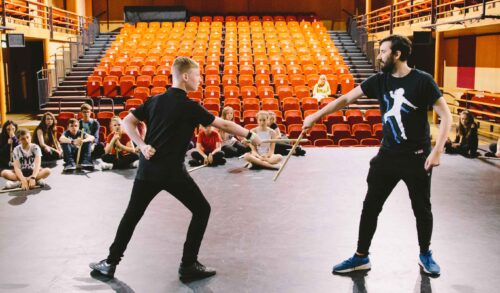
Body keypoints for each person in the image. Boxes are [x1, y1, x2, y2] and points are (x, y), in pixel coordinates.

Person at [89, 57, 261, 282]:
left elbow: (126, 122)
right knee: (202, 210)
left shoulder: (154, 101)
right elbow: (226, 125)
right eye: (198, 76)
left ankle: (110, 263)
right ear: (186, 76)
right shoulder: (190, 107)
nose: (200, 80)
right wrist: (250, 135)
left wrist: (142, 146)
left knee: (132, 215)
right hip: (172, 174)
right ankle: (188, 265)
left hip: (147, 171)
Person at [302, 35, 452, 276]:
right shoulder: (379, 81)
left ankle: (425, 254)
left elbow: (447, 117)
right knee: (370, 206)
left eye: (383, 51)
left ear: (398, 54)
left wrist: (437, 151)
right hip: (387, 157)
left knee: (422, 209)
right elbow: (345, 99)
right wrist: (315, 116)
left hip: (417, 157)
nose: (379, 55)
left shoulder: (423, 81)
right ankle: (361, 256)